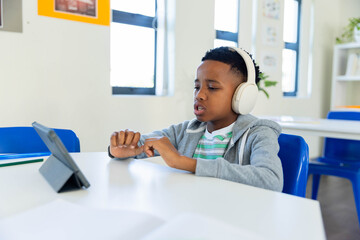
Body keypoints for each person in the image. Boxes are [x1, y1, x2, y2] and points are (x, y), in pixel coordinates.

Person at [108, 46, 283, 192]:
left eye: (212, 87)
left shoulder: (259, 133)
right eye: (196, 86)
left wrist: (185, 163)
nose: (199, 95)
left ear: (243, 95)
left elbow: (271, 180)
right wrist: (124, 148)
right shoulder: (188, 130)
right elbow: (148, 142)